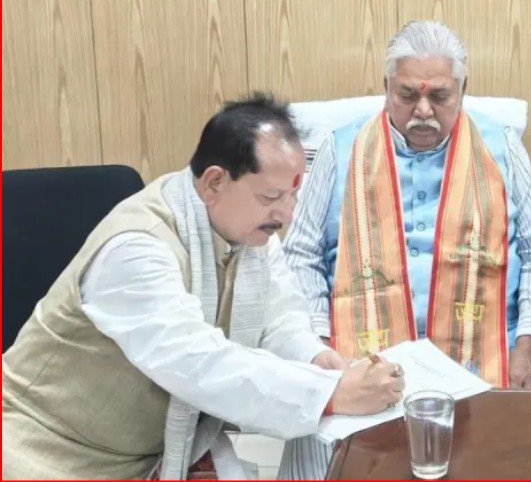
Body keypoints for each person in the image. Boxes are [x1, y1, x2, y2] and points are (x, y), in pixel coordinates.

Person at [2, 93, 405, 480]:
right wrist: (328, 395)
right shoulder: (136, 248)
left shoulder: (250, 231)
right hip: (50, 450)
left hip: (151, 452)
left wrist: (316, 360)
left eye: (292, 195)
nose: (286, 214)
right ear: (214, 182)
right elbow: (199, 364)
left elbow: (279, 318)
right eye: (271, 196)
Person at [279, 21, 531, 478]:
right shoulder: (341, 149)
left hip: (487, 357)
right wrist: (320, 350)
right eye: (407, 95)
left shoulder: (501, 147)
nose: (423, 111)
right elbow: (300, 255)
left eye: (439, 96)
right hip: (363, 358)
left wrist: (530, 345)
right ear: (386, 88)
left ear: (462, 91)